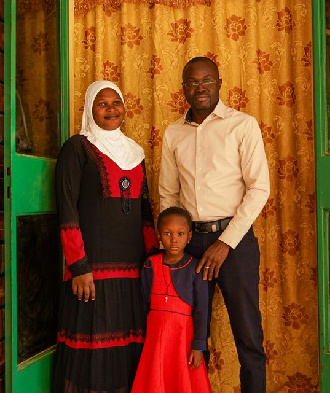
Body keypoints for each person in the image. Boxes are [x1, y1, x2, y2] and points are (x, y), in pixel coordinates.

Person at [159, 57, 270, 392]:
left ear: (219, 83)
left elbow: (259, 187)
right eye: (192, 82)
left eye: (207, 80)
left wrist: (226, 242)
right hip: (189, 245)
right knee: (193, 335)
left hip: (234, 243)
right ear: (184, 89)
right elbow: (168, 194)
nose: (200, 87)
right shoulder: (173, 133)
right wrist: (175, 243)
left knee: (248, 335)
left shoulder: (242, 125)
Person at [54, 80, 158, 393]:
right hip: (92, 272)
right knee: (91, 355)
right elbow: (67, 209)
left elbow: (145, 214)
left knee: (128, 351)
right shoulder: (77, 148)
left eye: (116, 102)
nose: (111, 109)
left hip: (132, 272)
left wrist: (154, 265)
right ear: (90, 109)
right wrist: (79, 266)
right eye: (102, 103)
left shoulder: (136, 153)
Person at [132, 206, 211, 393]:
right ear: (159, 236)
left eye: (180, 233)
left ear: (189, 236)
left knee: (182, 380)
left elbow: (202, 310)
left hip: (183, 341)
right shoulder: (150, 266)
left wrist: (199, 346)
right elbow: (143, 305)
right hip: (155, 341)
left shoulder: (196, 268)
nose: (174, 239)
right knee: (156, 379)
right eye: (167, 233)